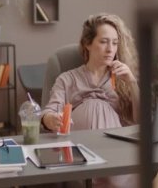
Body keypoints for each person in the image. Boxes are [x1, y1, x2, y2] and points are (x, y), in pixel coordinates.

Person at [40, 13, 140, 188]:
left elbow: (141, 121)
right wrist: (51, 119)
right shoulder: (67, 79)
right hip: (77, 152)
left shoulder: (123, 79)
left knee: (115, 177)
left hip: (116, 153)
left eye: (115, 43)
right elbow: (49, 111)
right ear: (87, 43)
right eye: (103, 41)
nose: (110, 49)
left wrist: (132, 82)